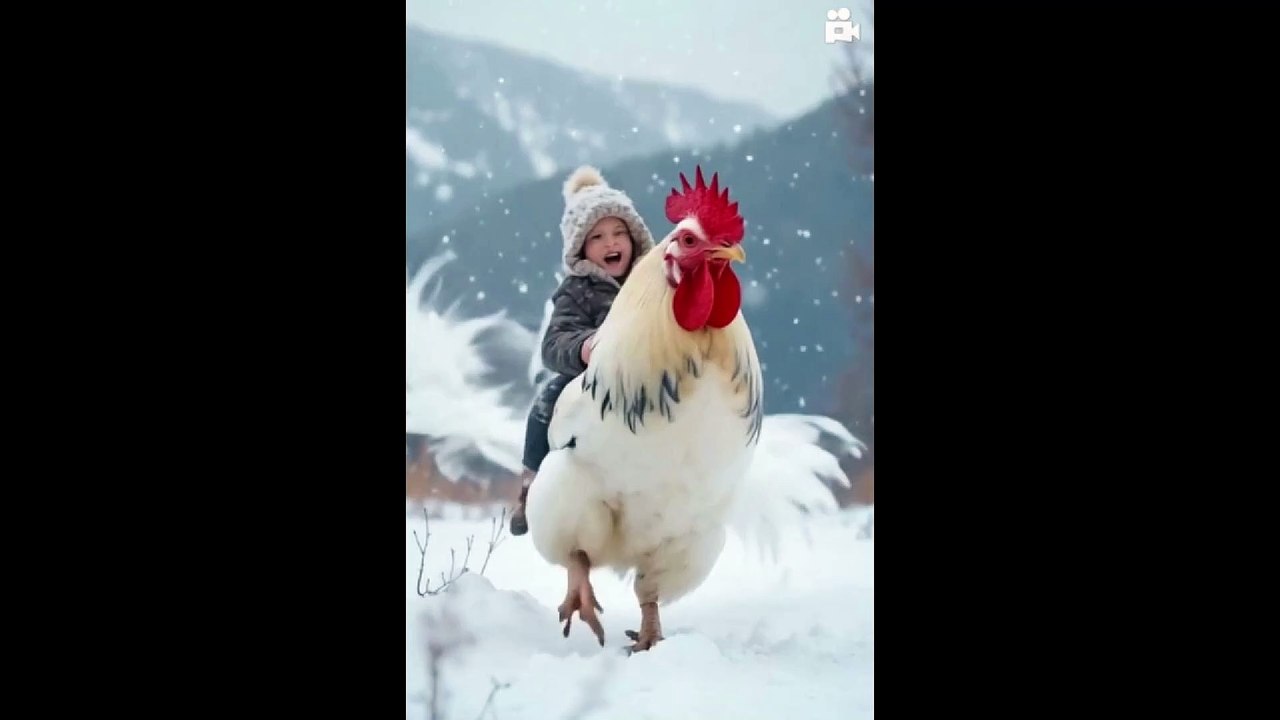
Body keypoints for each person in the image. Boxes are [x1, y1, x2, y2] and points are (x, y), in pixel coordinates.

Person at [510, 165, 655, 536]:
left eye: (619, 232)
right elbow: (554, 343)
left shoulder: (651, 282)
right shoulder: (576, 291)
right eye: (598, 237)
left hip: (649, 374)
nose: (611, 244)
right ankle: (531, 482)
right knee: (547, 401)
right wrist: (585, 348)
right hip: (590, 378)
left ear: (635, 236)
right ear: (580, 248)